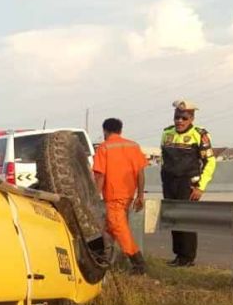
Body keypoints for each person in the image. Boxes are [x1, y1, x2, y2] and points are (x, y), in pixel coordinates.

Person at [160, 99, 216, 267]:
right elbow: (164, 158)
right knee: (173, 220)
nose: (179, 121)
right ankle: (178, 255)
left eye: (184, 118)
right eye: (177, 117)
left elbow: (210, 162)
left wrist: (201, 187)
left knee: (185, 220)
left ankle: (188, 258)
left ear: (191, 118)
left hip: (188, 184)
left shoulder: (200, 134)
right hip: (169, 183)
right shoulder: (166, 133)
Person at [92, 118, 148, 274]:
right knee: (110, 229)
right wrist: (140, 195)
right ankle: (100, 259)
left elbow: (100, 176)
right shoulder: (133, 146)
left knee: (119, 228)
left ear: (105, 131)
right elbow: (140, 173)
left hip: (113, 196)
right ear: (120, 130)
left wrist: (95, 197)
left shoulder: (104, 148)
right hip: (128, 195)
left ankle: (138, 263)